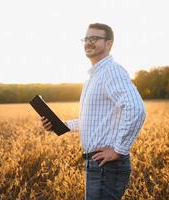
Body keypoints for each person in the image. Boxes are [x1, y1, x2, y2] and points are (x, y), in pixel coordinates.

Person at [41, 23, 146, 200]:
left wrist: (119, 150)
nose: (89, 42)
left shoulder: (111, 71)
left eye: (95, 38)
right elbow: (93, 120)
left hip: (107, 166)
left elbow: (136, 109)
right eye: (87, 39)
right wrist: (61, 126)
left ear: (108, 44)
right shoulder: (94, 75)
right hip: (98, 164)